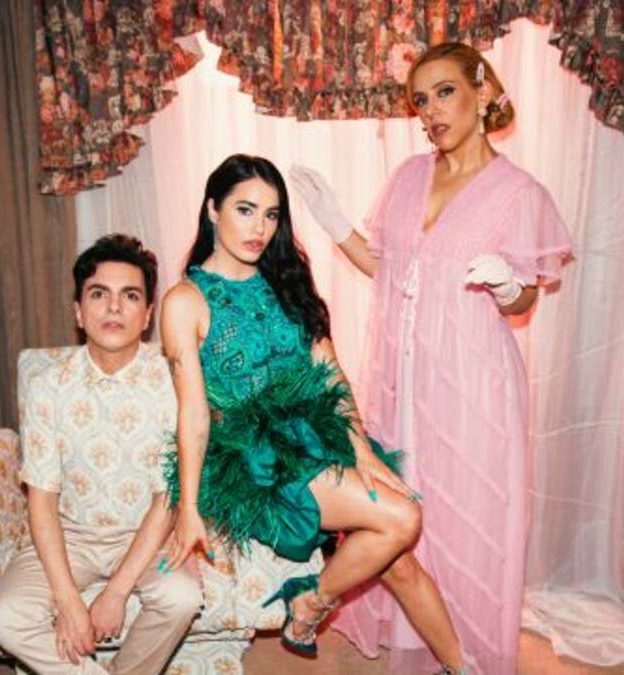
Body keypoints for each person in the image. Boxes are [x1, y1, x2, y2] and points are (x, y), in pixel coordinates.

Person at [290, 43, 574, 675]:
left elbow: (525, 298)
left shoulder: (519, 193)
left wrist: (509, 284)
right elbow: (386, 268)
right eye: (421, 100)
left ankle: (465, 647)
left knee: (467, 511)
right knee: (405, 500)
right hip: (403, 375)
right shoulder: (409, 176)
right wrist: (335, 223)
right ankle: (420, 630)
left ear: (482, 90)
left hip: (474, 380)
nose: (431, 111)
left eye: (445, 92)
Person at [160, 154, 469, 673]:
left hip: (315, 435)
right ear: (212, 209)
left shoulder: (287, 281)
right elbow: (193, 413)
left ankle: (465, 669)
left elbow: (331, 375)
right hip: (256, 462)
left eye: (271, 214)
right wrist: (188, 506)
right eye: (245, 210)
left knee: (400, 565)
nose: (259, 228)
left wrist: (361, 450)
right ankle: (309, 601)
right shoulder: (185, 301)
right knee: (403, 517)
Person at [0, 235, 202, 675]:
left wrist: (116, 591)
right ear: (79, 312)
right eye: (99, 294)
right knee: (5, 619)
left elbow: (167, 499)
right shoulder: (48, 387)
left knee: (182, 597)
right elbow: (41, 499)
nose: (114, 307)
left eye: (131, 296)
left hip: (147, 532)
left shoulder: (172, 382)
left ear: (148, 316)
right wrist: (68, 600)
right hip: (70, 534)